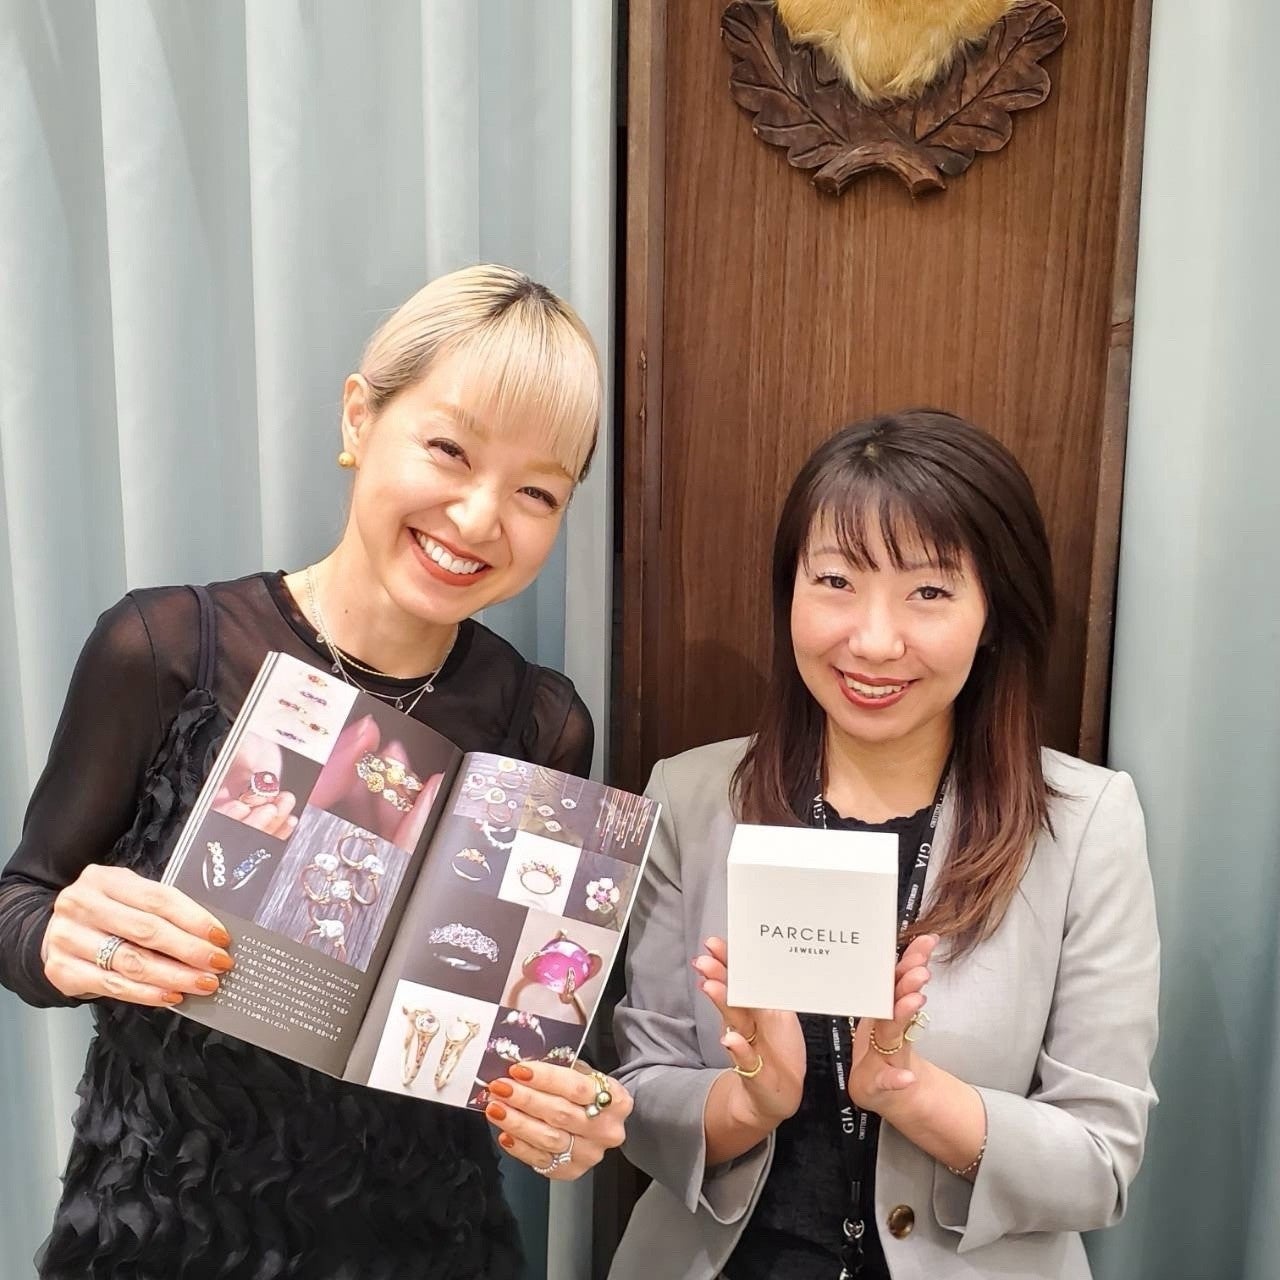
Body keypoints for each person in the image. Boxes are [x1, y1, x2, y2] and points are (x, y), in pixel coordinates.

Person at [0, 264, 632, 1280]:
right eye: (449, 449)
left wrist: (567, 1105)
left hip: (425, 1243)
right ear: (358, 417)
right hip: (164, 1231)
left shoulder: (542, 723)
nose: (480, 517)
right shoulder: (166, 649)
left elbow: (514, 1035)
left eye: (535, 491)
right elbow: (21, 901)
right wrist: (64, 940)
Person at [609, 410, 1159, 1280]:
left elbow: (1101, 1163)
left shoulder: (1086, 823)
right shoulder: (689, 797)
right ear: (790, 591)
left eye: (929, 593)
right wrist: (751, 1102)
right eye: (836, 580)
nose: (872, 640)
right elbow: (634, 1099)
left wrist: (912, 1092)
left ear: (993, 614)